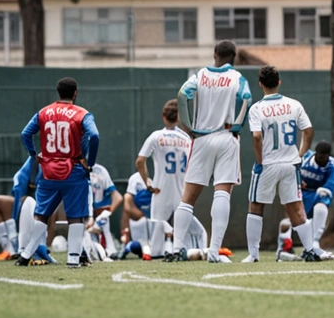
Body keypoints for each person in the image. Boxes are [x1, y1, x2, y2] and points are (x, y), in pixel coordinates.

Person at [169, 40, 252, 263]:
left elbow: (181, 95)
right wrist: (237, 125)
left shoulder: (200, 75)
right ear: (234, 56)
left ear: (215, 53)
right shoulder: (237, 77)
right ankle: (214, 252)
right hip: (226, 137)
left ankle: (177, 249)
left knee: (188, 198)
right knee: (223, 192)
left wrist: (188, 126)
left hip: (201, 137)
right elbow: (247, 98)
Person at [16, 77, 100, 268]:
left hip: (48, 171)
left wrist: (33, 154)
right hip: (73, 170)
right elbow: (94, 135)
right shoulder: (82, 114)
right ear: (75, 93)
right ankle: (73, 258)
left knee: (42, 214)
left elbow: (25, 134)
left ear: (58, 92)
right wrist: (90, 163)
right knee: (75, 216)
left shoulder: (44, 112)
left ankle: (25, 255)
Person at [243, 65, 319, 263]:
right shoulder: (294, 104)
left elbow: (257, 137)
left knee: (256, 206)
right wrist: (300, 154)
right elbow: (308, 131)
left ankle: (253, 255)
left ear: (260, 84)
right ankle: (310, 250)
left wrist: (260, 161)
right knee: (296, 208)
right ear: (279, 82)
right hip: (290, 163)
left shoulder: (257, 108)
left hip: (268, 163)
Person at [136, 99, 207, 260]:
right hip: (182, 191)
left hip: (160, 189)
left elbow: (140, 160)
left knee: (156, 237)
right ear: (179, 117)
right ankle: (191, 252)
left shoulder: (156, 136)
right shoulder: (187, 140)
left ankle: (156, 256)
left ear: (164, 116)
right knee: (193, 232)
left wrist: (148, 182)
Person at [277, 141, 334, 258]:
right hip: (300, 195)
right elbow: (289, 172)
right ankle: (284, 250)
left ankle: (313, 244)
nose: (322, 160)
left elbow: (329, 187)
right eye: (320, 157)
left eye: (325, 157)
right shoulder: (305, 157)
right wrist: (297, 180)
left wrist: (322, 191)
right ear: (315, 154)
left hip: (317, 195)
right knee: (286, 223)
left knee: (322, 202)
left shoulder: (333, 166)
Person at [0, 155, 41, 261]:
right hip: (32, 206)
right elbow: (19, 193)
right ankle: (9, 247)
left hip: (46, 205)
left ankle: (42, 247)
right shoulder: (31, 165)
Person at [89, 163, 123, 258]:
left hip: (99, 211)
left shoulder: (100, 171)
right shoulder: (76, 169)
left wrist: (105, 214)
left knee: (103, 219)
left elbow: (118, 198)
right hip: (84, 214)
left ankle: (109, 249)